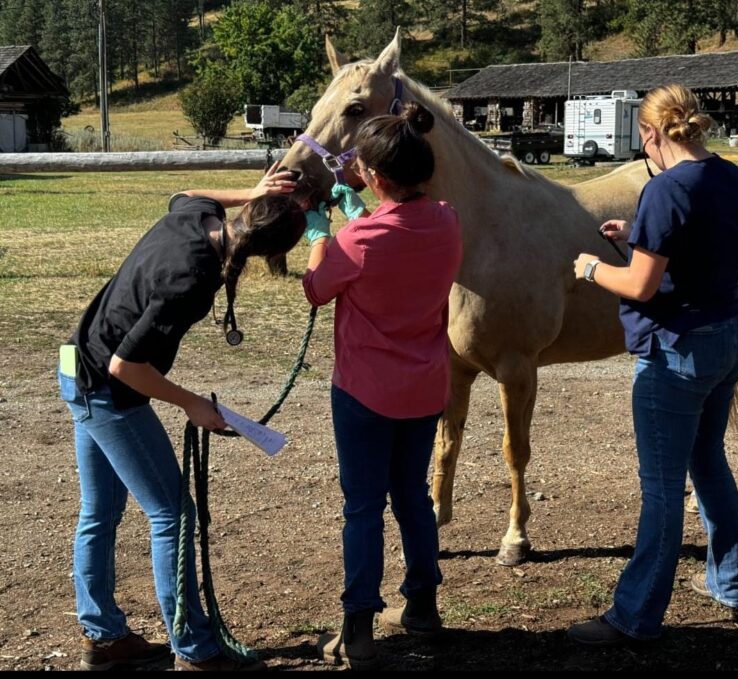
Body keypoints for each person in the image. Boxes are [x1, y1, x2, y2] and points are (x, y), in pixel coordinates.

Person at [58, 164, 305, 671]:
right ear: (273, 252)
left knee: (100, 510)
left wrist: (252, 191)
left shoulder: (194, 221)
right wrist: (191, 401)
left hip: (73, 364)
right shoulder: (192, 277)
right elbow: (126, 366)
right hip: (106, 386)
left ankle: (103, 637)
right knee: (172, 512)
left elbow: (185, 192)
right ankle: (194, 649)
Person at [568, 84, 738, 645]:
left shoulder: (664, 189)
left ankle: (635, 614)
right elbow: (705, 242)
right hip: (729, 336)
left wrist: (592, 269)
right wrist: (637, 235)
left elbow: (642, 286)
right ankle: (730, 582)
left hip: (677, 351)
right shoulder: (732, 176)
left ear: (649, 134)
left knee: (662, 486)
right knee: (709, 461)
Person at [301, 102, 463, 669]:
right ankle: (422, 603)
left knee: (363, 507)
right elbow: (401, 227)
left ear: (374, 177)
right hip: (424, 387)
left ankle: (358, 628)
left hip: (365, 391)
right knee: (412, 497)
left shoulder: (359, 239)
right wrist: (358, 213)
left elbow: (316, 289)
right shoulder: (446, 218)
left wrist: (323, 234)